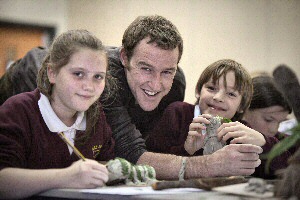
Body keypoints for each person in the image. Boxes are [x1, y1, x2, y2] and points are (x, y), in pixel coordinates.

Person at [102, 15, 262, 181]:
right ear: (124, 57)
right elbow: (131, 153)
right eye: (146, 69)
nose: (156, 85)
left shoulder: (176, 83)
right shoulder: (103, 75)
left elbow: (152, 150)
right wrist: (209, 165)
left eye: (167, 72)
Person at [0, 30, 115, 199]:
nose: (89, 86)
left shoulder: (96, 118)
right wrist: (68, 176)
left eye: (98, 76)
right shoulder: (18, 110)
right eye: (78, 74)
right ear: (52, 73)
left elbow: (106, 163)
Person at [145, 59, 266, 157]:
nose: (218, 97)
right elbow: (151, 158)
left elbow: (275, 167)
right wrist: (186, 150)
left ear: (241, 105)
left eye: (231, 94)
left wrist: (262, 142)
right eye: (212, 88)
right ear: (198, 91)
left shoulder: (240, 130)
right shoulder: (177, 114)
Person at [241, 74, 294, 179]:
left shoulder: (284, 141)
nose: (274, 129)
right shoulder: (226, 135)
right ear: (244, 108)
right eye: (268, 120)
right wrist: (265, 144)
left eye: (280, 122)